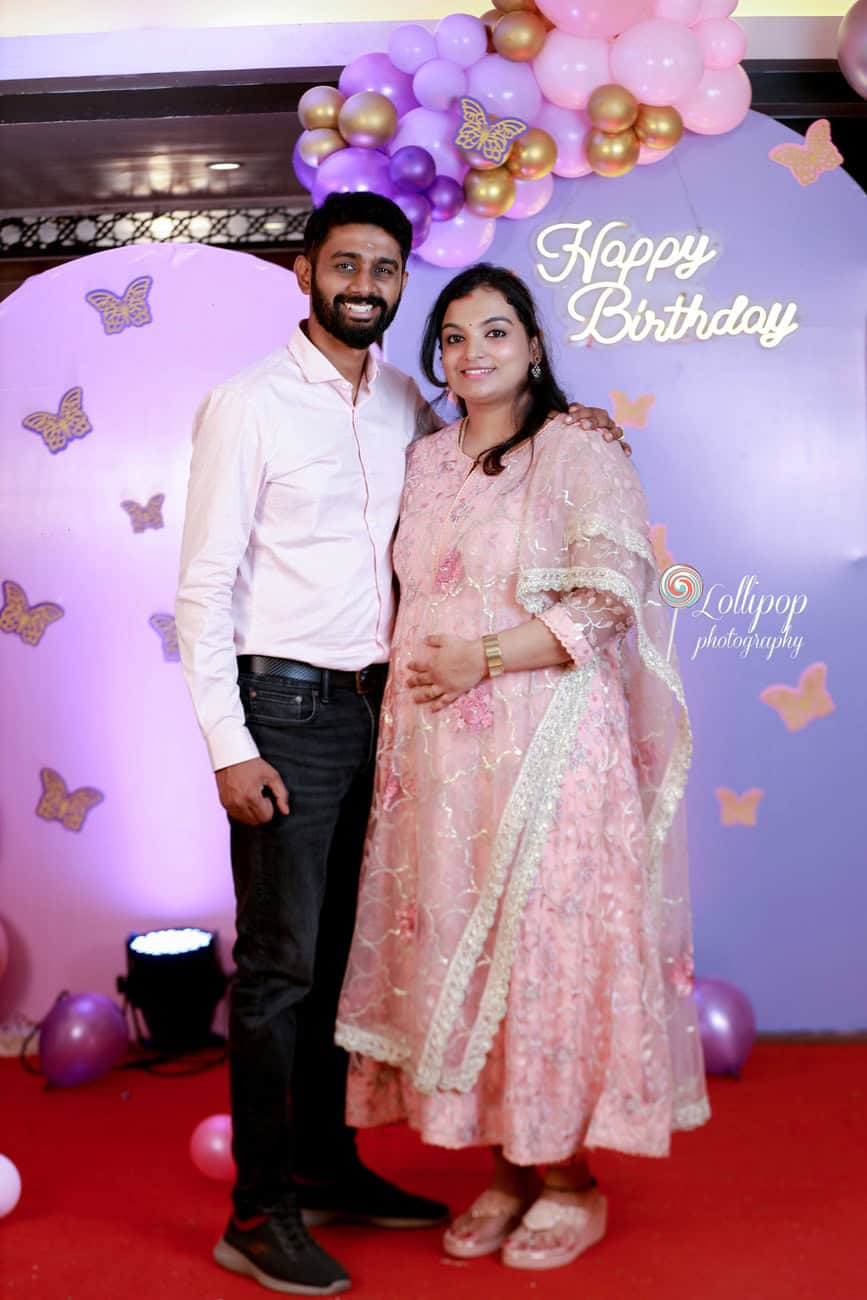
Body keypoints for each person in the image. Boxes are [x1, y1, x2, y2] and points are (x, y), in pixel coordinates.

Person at [175, 193, 626, 1296]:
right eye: (345, 265)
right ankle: (260, 1208)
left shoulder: (409, 410)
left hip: (389, 713)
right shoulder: (247, 404)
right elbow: (201, 586)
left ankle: (331, 1168)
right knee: (280, 971)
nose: (365, 283)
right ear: (305, 272)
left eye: (384, 267)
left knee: (340, 962)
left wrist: (582, 425)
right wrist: (230, 744)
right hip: (283, 707)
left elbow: (493, 499)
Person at [335, 264, 711, 1273]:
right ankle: (509, 1165)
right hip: (441, 760)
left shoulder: (576, 446)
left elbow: (610, 595)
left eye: (495, 332)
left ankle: (570, 1180)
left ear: (533, 347)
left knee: (545, 951)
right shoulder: (427, 462)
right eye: (453, 337)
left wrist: (485, 658)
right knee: (461, 942)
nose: (473, 353)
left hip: (548, 748)